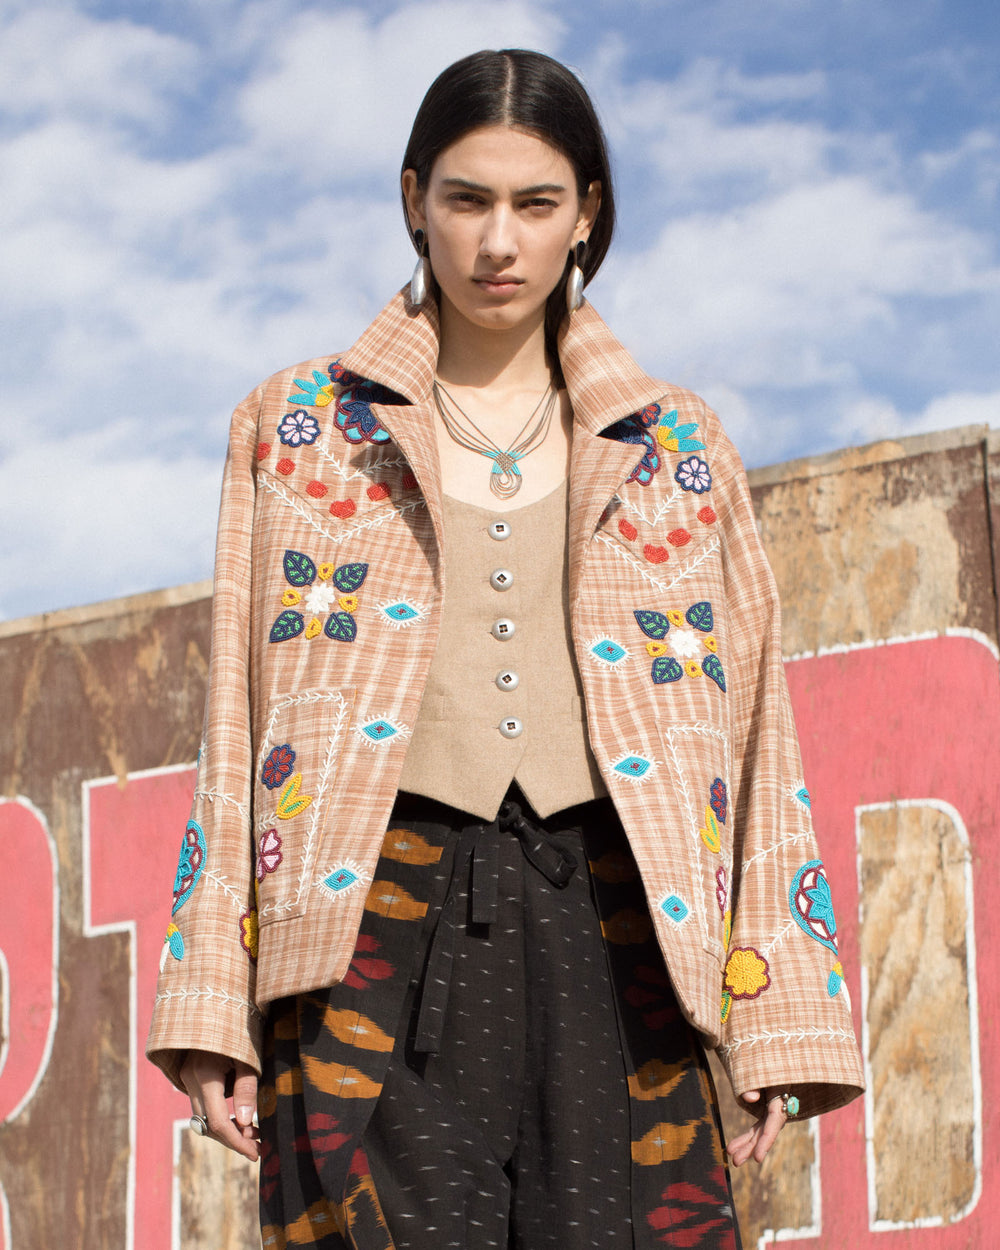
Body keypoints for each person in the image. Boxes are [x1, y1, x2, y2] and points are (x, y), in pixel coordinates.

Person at [147, 48, 864, 1249]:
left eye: (536, 204)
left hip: (621, 931)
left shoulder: (679, 442)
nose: (498, 242)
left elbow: (755, 736)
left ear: (586, 214)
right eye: (467, 200)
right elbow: (238, 720)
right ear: (413, 199)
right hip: (365, 934)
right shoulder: (299, 426)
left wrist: (776, 1011)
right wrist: (214, 997)